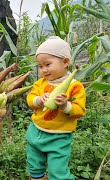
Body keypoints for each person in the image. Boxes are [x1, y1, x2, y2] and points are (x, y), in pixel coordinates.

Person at [25, 36, 86, 180]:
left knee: (57, 171)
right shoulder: (40, 84)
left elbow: (80, 109)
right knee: (34, 166)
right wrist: (38, 100)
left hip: (59, 137)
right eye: (40, 66)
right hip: (36, 132)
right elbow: (30, 99)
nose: (44, 70)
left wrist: (66, 106)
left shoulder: (75, 86)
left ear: (65, 62)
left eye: (47, 64)